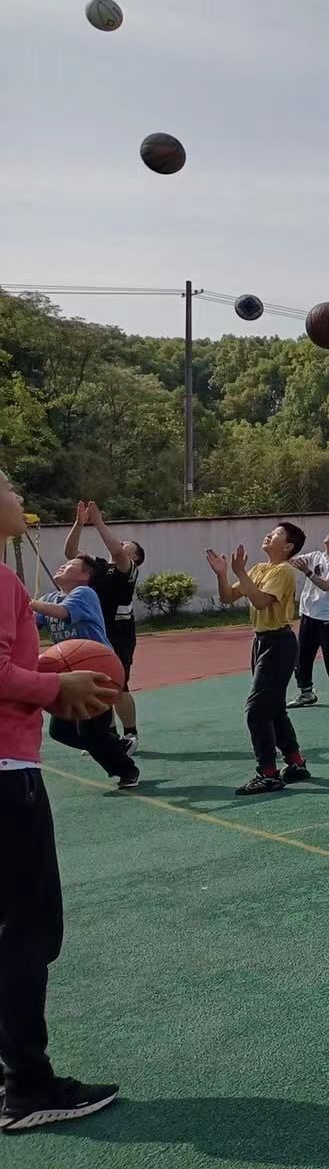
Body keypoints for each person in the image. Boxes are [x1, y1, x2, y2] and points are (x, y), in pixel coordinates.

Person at [0, 466, 123, 1133]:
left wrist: (46, 669)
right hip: (6, 774)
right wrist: (56, 687)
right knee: (28, 930)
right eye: (8, 487)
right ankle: (27, 1088)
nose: (18, 496)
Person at [207, 524, 312, 795]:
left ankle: (268, 774)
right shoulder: (259, 569)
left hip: (279, 642)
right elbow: (228, 597)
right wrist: (222, 574)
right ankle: (295, 763)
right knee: (273, 707)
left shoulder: (283, 570)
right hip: (262, 641)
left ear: (288, 546)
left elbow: (262, 601)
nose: (269, 534)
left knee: (256, 709)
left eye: (277, 534)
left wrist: (240, 571)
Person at [28, 558, 138, 788]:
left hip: (98, 673)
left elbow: (63, 612)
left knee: (90, 732)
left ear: (84, 575)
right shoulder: (49, 598)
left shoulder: (84, 593)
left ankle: (127, 770)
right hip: (70, 677)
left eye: (69, 565)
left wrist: (29, 603)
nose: (62, 565)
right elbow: (30, 624)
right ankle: (117, 746)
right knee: (60, 731)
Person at [62, 502, 144, 752]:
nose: (119, 548)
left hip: (119, 636)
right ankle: (105, 735)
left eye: (125, 547)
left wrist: (98, 522)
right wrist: (79, 523)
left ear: (135, 558)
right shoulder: (98, 568)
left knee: (118, 686)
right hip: (94, 634)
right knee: (95, 684)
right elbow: (70, 552)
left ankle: (131, 735)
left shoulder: (126, 571)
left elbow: (118, 554)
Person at [288, 525, 329, 709]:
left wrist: (308, 573)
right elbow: (292, 561)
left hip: (328, 616)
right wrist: (288, 546)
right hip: (308, 613)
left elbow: (326, 586)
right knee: (302, 655)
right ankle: (306, 692)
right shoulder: (316, 556)